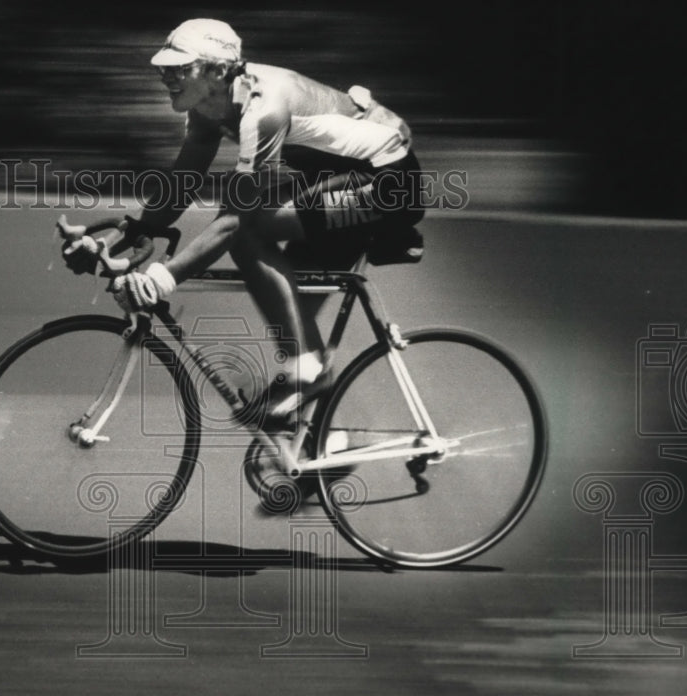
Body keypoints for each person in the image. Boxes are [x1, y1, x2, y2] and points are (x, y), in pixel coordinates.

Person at [62, 18, 424, 431]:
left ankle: (311, 374)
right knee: (294, 338)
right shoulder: (207, 107)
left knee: (251, 234)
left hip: (389, 184)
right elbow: (180, 187)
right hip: (335, 180)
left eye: (180, 70)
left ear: (217, 71)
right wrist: (121, 234)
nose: (167, 79)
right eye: (164, 69)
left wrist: (161, 279)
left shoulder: (263, 108)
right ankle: (325, 445)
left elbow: (236, 219)